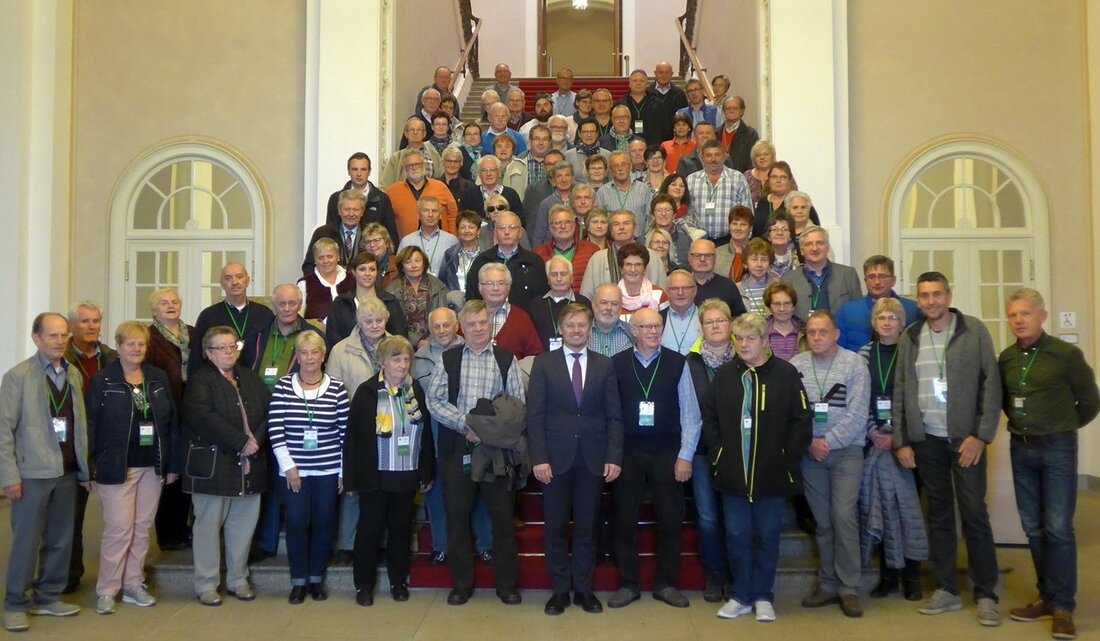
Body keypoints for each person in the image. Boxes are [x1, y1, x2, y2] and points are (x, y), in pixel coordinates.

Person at [893, 271, 1003, 627]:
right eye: (924, 296)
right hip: (927, 441)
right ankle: (947, 589)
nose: (930, 301)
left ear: (948, 295)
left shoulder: (973, 331)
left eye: (937, 294)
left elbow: (991, 384)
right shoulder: (911, 336)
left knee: (974, 513)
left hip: (965, 441)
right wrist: (903, 439)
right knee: (938, 514)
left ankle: (986, 593)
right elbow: (900, 391)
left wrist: (981, 436)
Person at [998, 288, 1098, 640]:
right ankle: (1045, 596)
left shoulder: (1066, 354)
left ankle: (1063, 607)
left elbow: (1089, 401)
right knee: (1033, 527)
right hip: (1021, 449)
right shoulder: (1007, 358)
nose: (1018, 321)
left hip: (1057, 449)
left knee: (1057, 527)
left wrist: (1060, 425)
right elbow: (1009, 402)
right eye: (1012, 315)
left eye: (1025, 313)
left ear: (1041, 316)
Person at [703, 312, 812, 622]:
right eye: (739, 338)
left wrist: (785, 460)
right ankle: (740, 595)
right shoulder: (725, 376)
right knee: (736, 536)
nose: (744, 344)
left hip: (772, 474)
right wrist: (719, 454)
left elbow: (801, 422)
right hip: (734, 474)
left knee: (766, 536)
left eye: (752, 338)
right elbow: (709, 418)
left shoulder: (786, 374)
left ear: (765, 341)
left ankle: (764, 595)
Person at [425, 300, 527, 606]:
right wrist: (464, 423)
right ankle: (461, 584)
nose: (478, 328)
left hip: (497, 453)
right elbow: (434, 399)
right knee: (457, 518)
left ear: (490, 324)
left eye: (483, 322)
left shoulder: (506, 359)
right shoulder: (449, 359)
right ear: (462, 327)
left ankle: (506, 585)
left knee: (502, 519)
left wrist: (488, 430)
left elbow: (517, 406)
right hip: (459, 449)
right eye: (471, 324)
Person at [528, 303, 623, 615]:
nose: (576, 330)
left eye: (582, 325)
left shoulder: (605, 365)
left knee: (587, 527)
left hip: (593, 459)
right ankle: (559, 592)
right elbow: (535, 416)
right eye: (570, 325)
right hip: (554, 460)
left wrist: (613, 455)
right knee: (555, 527)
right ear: (561, 328)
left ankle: (584, 589)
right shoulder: (543, 364)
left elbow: (614, 416)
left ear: (590, 328)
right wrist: (539, 458)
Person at [607, 307, 700, 610]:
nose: (653, 331)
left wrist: (685, 456)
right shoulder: (616, 364)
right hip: (628, 453)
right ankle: (628, 583)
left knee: (671, 520)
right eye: (645, 327)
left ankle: (666, 583)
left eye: (657, 326)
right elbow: (610, 415)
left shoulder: (677, 362)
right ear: (632, 331)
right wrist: (612, 454)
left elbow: (691, 414)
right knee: (624, 519)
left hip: (667, 453)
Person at [1, 313, 89, 632]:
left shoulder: (74, 375)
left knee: (61, 539)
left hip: (66, 471)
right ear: (36, 338)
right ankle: (15, 603)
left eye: (64, 335)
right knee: (26, 540)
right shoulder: (18, 376)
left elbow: (79, 427)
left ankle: (49, 596)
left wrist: (84, 469)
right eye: (53, 336)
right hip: (31, 474)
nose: (60, 341)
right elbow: (3, 431)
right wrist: (9, 476)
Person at [88, 321, 178, 615]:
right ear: (119, 346)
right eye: (130, 344)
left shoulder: (157, 378)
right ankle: (107, 589)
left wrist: (172, 463)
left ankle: (133, 584)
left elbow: (171, 423)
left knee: (141, 529)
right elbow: (91, 426)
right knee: (118, 529)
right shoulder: (104, 380)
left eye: (141, 344)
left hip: (152, 466)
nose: (137, 349)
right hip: (116, 466)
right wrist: (89, 466)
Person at [790, 311, 871, 618]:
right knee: (823, 522)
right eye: (811, 332)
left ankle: (849, 588)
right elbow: (794, 412)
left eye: (823, 331)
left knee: (843, 517)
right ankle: (827, 583)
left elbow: (858, 413)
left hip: (846, 452)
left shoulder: (854, 364)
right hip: (810, 454)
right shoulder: (796, 366)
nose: (817, 337)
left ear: (836, 334)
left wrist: (829, 442)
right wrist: (810, 441)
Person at [183, 326, 269, 606]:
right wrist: (240, 442)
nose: (229, 352)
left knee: (242, 527)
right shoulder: (200, 381)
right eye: (221, 347)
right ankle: (207, 584)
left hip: (249, 467)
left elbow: (269, 411)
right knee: (207, 529)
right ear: (208, 353)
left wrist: (255, 439)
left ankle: (238, 579)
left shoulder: (249, 378)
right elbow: (202, 417)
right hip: (214, 467)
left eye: (233, 346)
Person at [344, 335, 433, 606]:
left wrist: (426, 472)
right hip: (375, 476)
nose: (403, 364)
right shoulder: (367, 391)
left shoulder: (415, 389)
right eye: (397, 359)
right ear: (383, 361)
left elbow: (425, 434)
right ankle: (364, 586)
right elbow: (353, 438)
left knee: (400, 531)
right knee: (369, 532)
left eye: (407, 359)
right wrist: (350, 479)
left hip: (406, 475)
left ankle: (398, 582)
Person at [265, 332, 348, 604]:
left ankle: (315, 579)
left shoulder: (337, 388)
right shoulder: (283, 387)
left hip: (327, 470)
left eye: (314, 352)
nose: (309, 358)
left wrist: (342, 471)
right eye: (303, 352)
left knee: (324, 524)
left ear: (322, 355)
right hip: (294, 472)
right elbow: (275, 430)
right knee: (297, 523)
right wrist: (289, 467)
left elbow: (345, 433)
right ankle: (298, 581)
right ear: (297, 356)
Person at [857, 298, 928, 603]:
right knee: (881, 506)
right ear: (873, 322)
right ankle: (889, 574)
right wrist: (874, 431)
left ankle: (913, 574)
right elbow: (859, 398)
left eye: (892, 317)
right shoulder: (863, 354)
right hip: (873, 439)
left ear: (902, 322)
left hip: (907, 443)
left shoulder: (913, 352)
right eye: (881, 317)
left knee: (908, 509)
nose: (886, 322)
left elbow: (917, 399)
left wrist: (898, 437)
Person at [413, 309, 493, 567]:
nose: (442, 330)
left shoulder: (470, 349)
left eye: (447, 325)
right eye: (436, 326)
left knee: (477, 488)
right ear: (429, 328)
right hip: (434, 433)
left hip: (468, 432)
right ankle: (441, 546)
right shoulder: (420, 359)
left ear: (457, 325)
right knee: (436, 492)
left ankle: (485, 545)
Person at [325, 299, 392, 565]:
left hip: (391, 426)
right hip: (356, 428)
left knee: (388, 487)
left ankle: (383, 543)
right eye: (368, 321)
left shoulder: (397, 345)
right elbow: (333, 392)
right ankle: (348, 544)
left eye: (379, 320)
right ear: (358, 322)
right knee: (353, 488)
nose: (375, 326)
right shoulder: (342, 350)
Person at [683, 298, 734, 602]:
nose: (715, 326)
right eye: (709, 322)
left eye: (721, 320)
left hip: (738, 451)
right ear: (701, 327)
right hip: (703, 451)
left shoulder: (745, 358)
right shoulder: (689, 363)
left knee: (735, 516)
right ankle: (715, 576)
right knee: (707, 517)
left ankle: (735, 574)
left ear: (730, 324)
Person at [63, 301, 116, 592]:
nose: (92, 326)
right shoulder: (62, 356)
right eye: (85, 321)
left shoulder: (110, 357)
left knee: (119, 516)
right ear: (72, 326)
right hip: (72, 444)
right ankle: (68, 577)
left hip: (106, 441)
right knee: (69, 517)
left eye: (96, 320)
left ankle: (118, 573)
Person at [145, 288, 195, 551]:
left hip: (191, 409)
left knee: (187, 471)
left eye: (175, 301)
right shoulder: (149, 338)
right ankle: (168, 534)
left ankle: (185, 527)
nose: (170, 305)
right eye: (164, 303)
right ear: (153, 310)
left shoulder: (192, 332)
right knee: (168, 473)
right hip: (165, 408)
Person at [189, 262, 274, 375]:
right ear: (221, 284)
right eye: (228, 278)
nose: (234, 282)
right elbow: (197, 356)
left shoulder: (264, 313)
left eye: (239, 277)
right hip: (218, 381)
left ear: (247, 281)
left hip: (255, 379)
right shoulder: (208, 315)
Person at [464, 212, 549, 312]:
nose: (507, 232)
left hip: (524, 322)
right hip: (487, 323)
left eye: (512, 227)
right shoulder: (482, 261)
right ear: (495, 232)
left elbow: (542, 300)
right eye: (502, 228)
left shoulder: (534, 262)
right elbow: (472, 299)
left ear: (520, 232)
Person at [835, 255, 922, 351]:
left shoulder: (912, 310)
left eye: (882, 276)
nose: (877, 282)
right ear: (865, 281)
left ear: (893, 280)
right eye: (871, 277)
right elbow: (839, 349)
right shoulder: (848, 311)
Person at [324, 251, 408, 349]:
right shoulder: (340, 303)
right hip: (348, 358)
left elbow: (401, 338)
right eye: (362, 269)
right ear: (354, 272)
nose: (367, 274)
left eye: (372, 269)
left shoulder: (390, 302)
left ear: (377, 272)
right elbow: (333, 339)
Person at [579, 210, 667, 299]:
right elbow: (586, 297)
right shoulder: (598, 259)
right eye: (616, 224)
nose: (621, 228)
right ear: (611, 230)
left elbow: (663, 295)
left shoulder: (652, 257)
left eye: (626, 223)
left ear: (635, 228)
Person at [782, 226, 863, 321]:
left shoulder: (848, 274)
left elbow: (859, 313)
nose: (815, 248)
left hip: (841, 334)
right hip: (803, 334)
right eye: (809, 244)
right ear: (802, 251)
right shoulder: (789, 279)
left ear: (827, 248)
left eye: (820, 243)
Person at [323, 152, 398, 247]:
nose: (359, 174)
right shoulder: (336, 198)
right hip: (343, 255)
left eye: (363, 169)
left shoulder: (382, 199)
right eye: (354, 169)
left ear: (369, 171)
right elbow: (330, 232)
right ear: (348, 171)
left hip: (372, 256)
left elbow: (391, 234)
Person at [686, 140, 753, 243]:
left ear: (724, 156)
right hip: (699, 241)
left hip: (730, 241)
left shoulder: (737, 178)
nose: (713, 159)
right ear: (701, 157)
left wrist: (746, 240)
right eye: (708, 155)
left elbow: (747, 213)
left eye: (717, 155)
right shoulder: (691, 180)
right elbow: (687, 213)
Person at [473, 263, 543, 360]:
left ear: (509, 287)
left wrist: (516, 371)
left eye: (501, 283)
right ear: (480, 287)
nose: (495, 288)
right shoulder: (469, 315)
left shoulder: (521, 318)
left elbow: (535, 355)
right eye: (489, 283)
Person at [385, 149, 459, 239]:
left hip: (440, 245)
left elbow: (453, 213)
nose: (414, 168)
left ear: (423, 165)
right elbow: (387, 221)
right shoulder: (392, 191)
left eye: (417, 164)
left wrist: (452, 237)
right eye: (409, 165)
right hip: (406, 248)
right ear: (404, 169)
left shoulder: (440, 187)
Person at [386, 245, 449, 349]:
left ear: (424, 264)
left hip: (436, 342)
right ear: (402, 266)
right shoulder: (391, 291)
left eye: (418, 261)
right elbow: (393, 324)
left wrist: (429, 341)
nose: (414, 265)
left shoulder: (438, 286)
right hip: (402, 345)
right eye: (408, 262)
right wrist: (417, 341)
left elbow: (443, 317)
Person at [530, 256, 592, 352]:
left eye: (563, 274)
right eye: (554, 274)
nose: (559, 279)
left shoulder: (584, 303)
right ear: (548, 279)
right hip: (543, 359)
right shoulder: (536, 305)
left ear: (571, 278)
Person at [532, 204, 599, 292]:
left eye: (567, 222)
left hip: (582, 304)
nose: (563, 226)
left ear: (574, 225)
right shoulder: (538, 254)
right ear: (550, 228)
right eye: (557, 223)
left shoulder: (592, 251)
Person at [305, 189, 370, 273]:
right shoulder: (322, 233)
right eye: (347, 209)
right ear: (339, 211)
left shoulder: (370, 234)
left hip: (361, 285)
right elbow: (308, 265)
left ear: (362, 212)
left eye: (356, 210)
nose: (351, 214)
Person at [751, 162, 819, 239]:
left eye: (783, 177)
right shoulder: (762, 202)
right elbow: (756, 230)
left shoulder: (799, 200)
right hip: (763, 249)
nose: (778, 180)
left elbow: (816, 228)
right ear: (769, 179)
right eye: (774, 177)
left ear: (789, 180)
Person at [397, 195, 459, 277]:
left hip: (443, 288)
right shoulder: (407, 241)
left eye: (434, 211)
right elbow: (399, 270)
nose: (430, 214)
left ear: (440, 215)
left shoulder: (451, 241)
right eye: (426, 211)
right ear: (418, 215)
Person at [687, 238, 749, 317]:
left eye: (708, 255)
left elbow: (740, 320)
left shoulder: (728, 286)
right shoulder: (680, 287)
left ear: (715, 258)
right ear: (689, 258)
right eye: (697, 255)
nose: (702, 259)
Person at [298, 237, 352, 323]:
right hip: (317, 334)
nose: (326, 261)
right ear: (315, 260)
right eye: (320, 258)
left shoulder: (352, 279)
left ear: (338, 257)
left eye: (329, 256)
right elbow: (299, 318)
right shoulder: (304, 284)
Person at [439, 210, 489, 303]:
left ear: (478, 231)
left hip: (481, 305)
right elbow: (441, 282)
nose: (467, 231)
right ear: (457, 230)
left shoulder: (488, 255)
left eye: (471, 227)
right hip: (455, 305)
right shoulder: (449, 254)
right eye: (462, 227)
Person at [597, 151, 654, 229]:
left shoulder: (644, 189)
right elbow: (600, 221)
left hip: (640, 239)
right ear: (610, 170)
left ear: (630, 166)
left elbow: (650, 219)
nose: (620, 169)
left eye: (623, 164)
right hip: (613, 239)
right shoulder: (602, 192)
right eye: (615, 165)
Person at [617, 242, 668, 319]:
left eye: (638, 264)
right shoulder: (613, 296)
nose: (633, 269)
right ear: (621, 269)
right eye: (628, 264)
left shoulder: (659, 294)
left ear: (644, 269)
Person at [617, 69, 669, 145]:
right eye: (635, 80)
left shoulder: (658, 103)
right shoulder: (621, 104)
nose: (638, 83)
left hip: (652, 147)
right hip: (627, 147)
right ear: (629, 84)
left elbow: (665, 128)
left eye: (641, 80)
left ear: (647, 83)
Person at [660, 269, 701, 355]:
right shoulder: (658, 318)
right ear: (667, 291)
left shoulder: (706, 318)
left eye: (685, 288)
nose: (680, 292)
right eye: (674, 288)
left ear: (695, 290)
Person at [764, 281, 806, 362]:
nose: (782, 309)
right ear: (769, 308)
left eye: (787, 303)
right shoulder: (761, 332)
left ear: (793, 306)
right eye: (777, 304)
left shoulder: (805, 332)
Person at [718, 96, 760, 172]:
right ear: (723, 111)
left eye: (735, 108)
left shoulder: (750, 134)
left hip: (741, 178)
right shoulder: (716, 133)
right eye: (728, 108)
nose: (731, 111)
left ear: (742, 111)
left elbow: (753, 161)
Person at [714, 205, 755, 282]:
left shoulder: (757, 251)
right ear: (729, 226)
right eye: (734, 224)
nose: (738, 228)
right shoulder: (717, 252)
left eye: (743, 224)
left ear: (750, 228)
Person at [766, 211, 801, 279]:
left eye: (784, 229)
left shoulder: (800, 256)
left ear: (791, 235)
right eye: (775, 229)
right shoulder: (762, 257)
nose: (779, 233)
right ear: (768, 236)